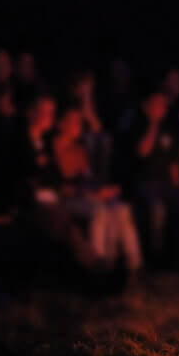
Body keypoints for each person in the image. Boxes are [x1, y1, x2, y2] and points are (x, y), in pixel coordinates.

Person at [52, 106, 143, 278]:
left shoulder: (79, 148)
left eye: (80, 121)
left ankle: (134, 267)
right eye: (74, 121)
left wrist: (103, 190)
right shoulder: (55, 148)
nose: (78, 125)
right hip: (65, 200)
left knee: (121, 209)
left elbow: (86, 180)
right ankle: (98, 266)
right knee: (100, 211)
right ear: (61, 124)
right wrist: (93, 195)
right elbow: (62, 188)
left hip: (84, 195)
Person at [123, 90, 179, 265]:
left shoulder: (170, 130)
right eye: (157, 103)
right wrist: (153, 125)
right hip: (145, 184)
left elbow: (173, 163)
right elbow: (143, 152)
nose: (161, 108)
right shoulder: (137, 127)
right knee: (157, 208)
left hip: (166, 185)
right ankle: (155, 258)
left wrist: (178, 188)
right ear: (146, 106)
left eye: (163, 104)